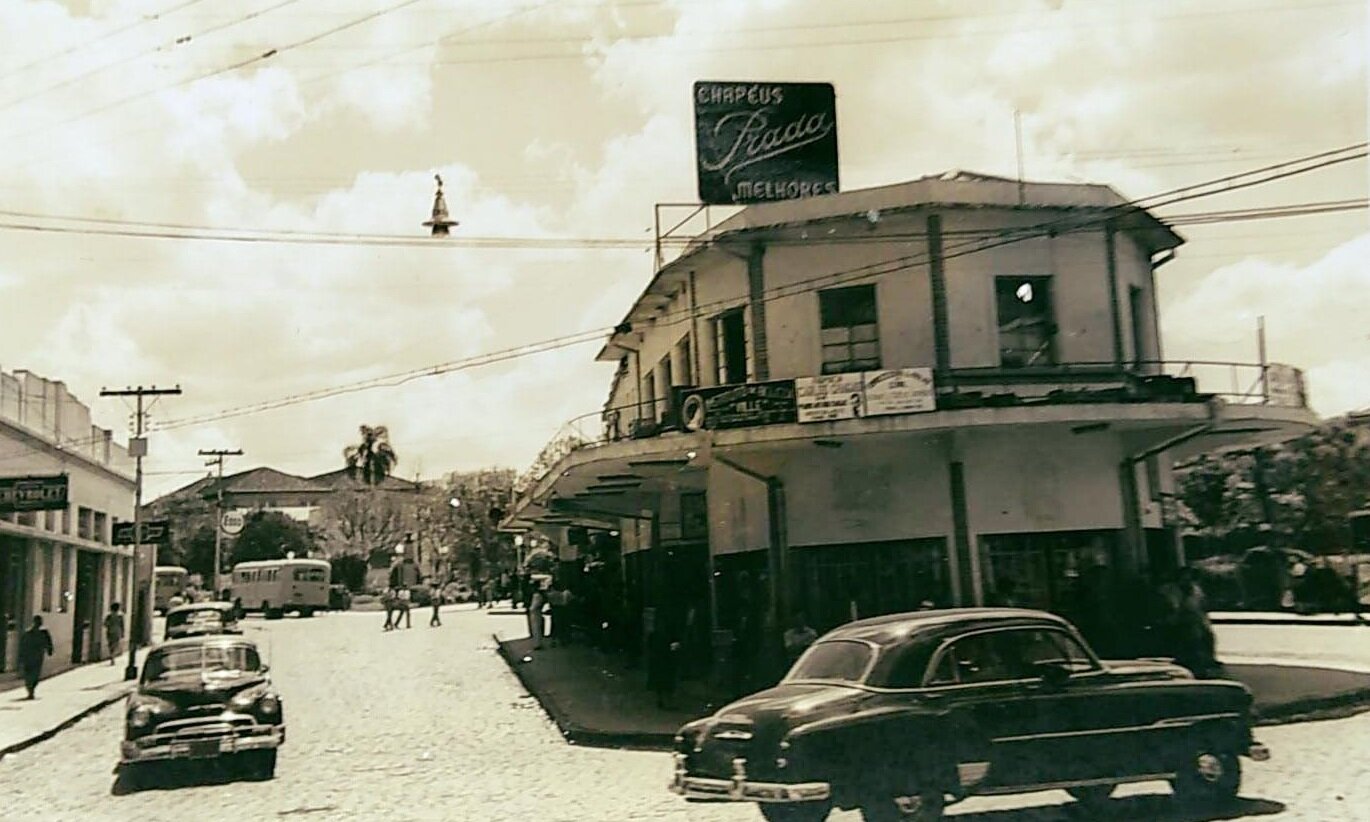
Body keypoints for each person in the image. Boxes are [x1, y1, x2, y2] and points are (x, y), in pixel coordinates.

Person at [18, 616, 54, 699]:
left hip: (35, 657)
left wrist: (49, 650)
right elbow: (23, 646)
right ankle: (30, 691)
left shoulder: (43, 632)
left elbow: (48, 643)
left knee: (33, 675)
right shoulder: (29, 633)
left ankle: (31, 690)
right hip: (32, 657)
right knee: (31, 675)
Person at [527, 581, 547, 650]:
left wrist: (530, 609)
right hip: (536, 612)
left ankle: (537, 644)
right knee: (536, 628)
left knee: (536, 628)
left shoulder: (537, 595)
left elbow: (535, 605)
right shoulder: (538, 594)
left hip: (535, 612)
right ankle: (537, 643)